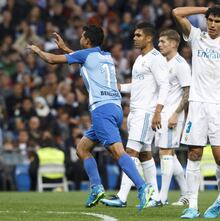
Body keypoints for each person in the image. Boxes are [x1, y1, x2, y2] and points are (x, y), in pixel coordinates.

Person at [27, 25, 153, 210]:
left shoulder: (85, 55)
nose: (80, 37)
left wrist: (38, 50)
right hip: (115, 108)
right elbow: (85, 59)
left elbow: (52, 60)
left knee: (118, 152)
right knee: (82, 149)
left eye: (82, 35)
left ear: (87, 40)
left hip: (101, 110)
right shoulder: (105, 56)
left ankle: (143, 187)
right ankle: (96, 188)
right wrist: (68, 50)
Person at [172, 4, 220, 219]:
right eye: (210, 20)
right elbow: (177, 12)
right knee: (194, 153)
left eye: (217, 21)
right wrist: (205, 8)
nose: (213, 24)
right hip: (198, 103)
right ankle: (192, 206)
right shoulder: (197, 37)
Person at [100, 22, 169, 208]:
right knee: (145, 155)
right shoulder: (140, 59)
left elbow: (165, 85)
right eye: (135, 35)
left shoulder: (156, 59)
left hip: (147, 113)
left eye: (138, 35)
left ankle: (122, 197)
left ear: (149, 38)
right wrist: (120, 88)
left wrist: (157, 112)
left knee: (129, 153)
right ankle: (155, 197)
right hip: (135, 111)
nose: (134, 37)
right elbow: (138, 86)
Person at [156, 29, 191, 205]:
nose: (159, 44)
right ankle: (186, 194)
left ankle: (162, 196)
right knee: (169, 155)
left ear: (174, 44)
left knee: (165, 153)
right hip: (161, 114)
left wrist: (176, 114)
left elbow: (187, 91)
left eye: (163, 41)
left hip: (172, 115)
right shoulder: (162, 63)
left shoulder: (181, 64)